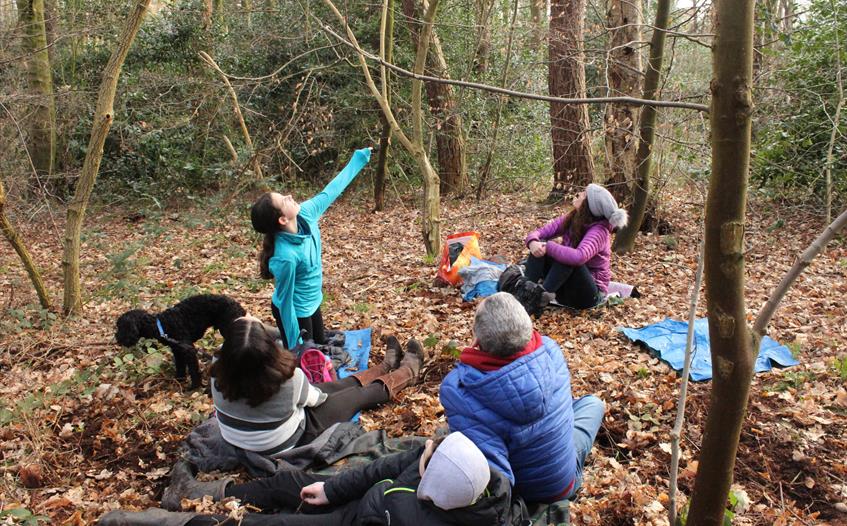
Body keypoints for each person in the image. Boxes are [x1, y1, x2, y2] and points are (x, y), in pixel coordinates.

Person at [102, 432, 524, 526]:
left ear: (428, 491)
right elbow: (379, 469)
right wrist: (331, 489)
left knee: (271, 524)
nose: (421, 454)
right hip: (354, 504)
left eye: (425, 459)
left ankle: (151, 521)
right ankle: (200, 493)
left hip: (352, 523)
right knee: (290, 484)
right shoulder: (468, 473)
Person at [440, 292, 606, 503]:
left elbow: (495, 479)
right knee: (593, 404)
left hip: (527, 497)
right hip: (565, 483)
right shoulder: (550, 349)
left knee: (448, 439)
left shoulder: (460, 389)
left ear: (477, 339)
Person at [211, 316, 424, 455]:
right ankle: (407, 372)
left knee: (341, 385)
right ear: (269, 350)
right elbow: (317, 398)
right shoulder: (290, 380)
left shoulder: (217, 368)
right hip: (286, 441)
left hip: (237, 437)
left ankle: (386, 366)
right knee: (357, 395)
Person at [251, 147, 372, 350]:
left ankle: (271, 335)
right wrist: (296, 345)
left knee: (322, 344)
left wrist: (358, 160)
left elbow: (331, 191)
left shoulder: (305, 214)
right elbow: (284, 303)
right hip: (296, 310)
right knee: (306, 355)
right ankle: (276, 339)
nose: (289, 196)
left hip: (313, 300)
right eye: (284, 200)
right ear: (282, 219)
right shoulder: (285, 257)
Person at [506, 183, 628, 313]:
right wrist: (532, 242)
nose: (579, 194)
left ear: (589, 205)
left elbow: (579, 257)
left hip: (588, 296)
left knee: (566, 256)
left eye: (583, 194)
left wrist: (548, 246)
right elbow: (540, 232)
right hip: (566, 289)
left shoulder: (600, 231)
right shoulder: (573, 218)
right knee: (542, 245)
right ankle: (526, 292)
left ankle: (538, 298)